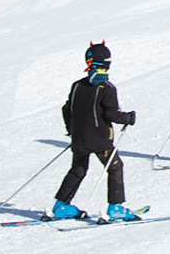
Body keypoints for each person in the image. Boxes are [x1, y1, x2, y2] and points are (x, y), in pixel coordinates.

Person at [51, 42, 139, 221]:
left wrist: (72, 131)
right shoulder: (107, 88)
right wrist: (128, 118)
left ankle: (61, 206)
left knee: (78, 169)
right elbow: (112, 114)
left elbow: (67, 110)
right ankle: (115, 208)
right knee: (115, 167)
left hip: (80, 139)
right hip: (100, 140)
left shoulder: (77, 86)